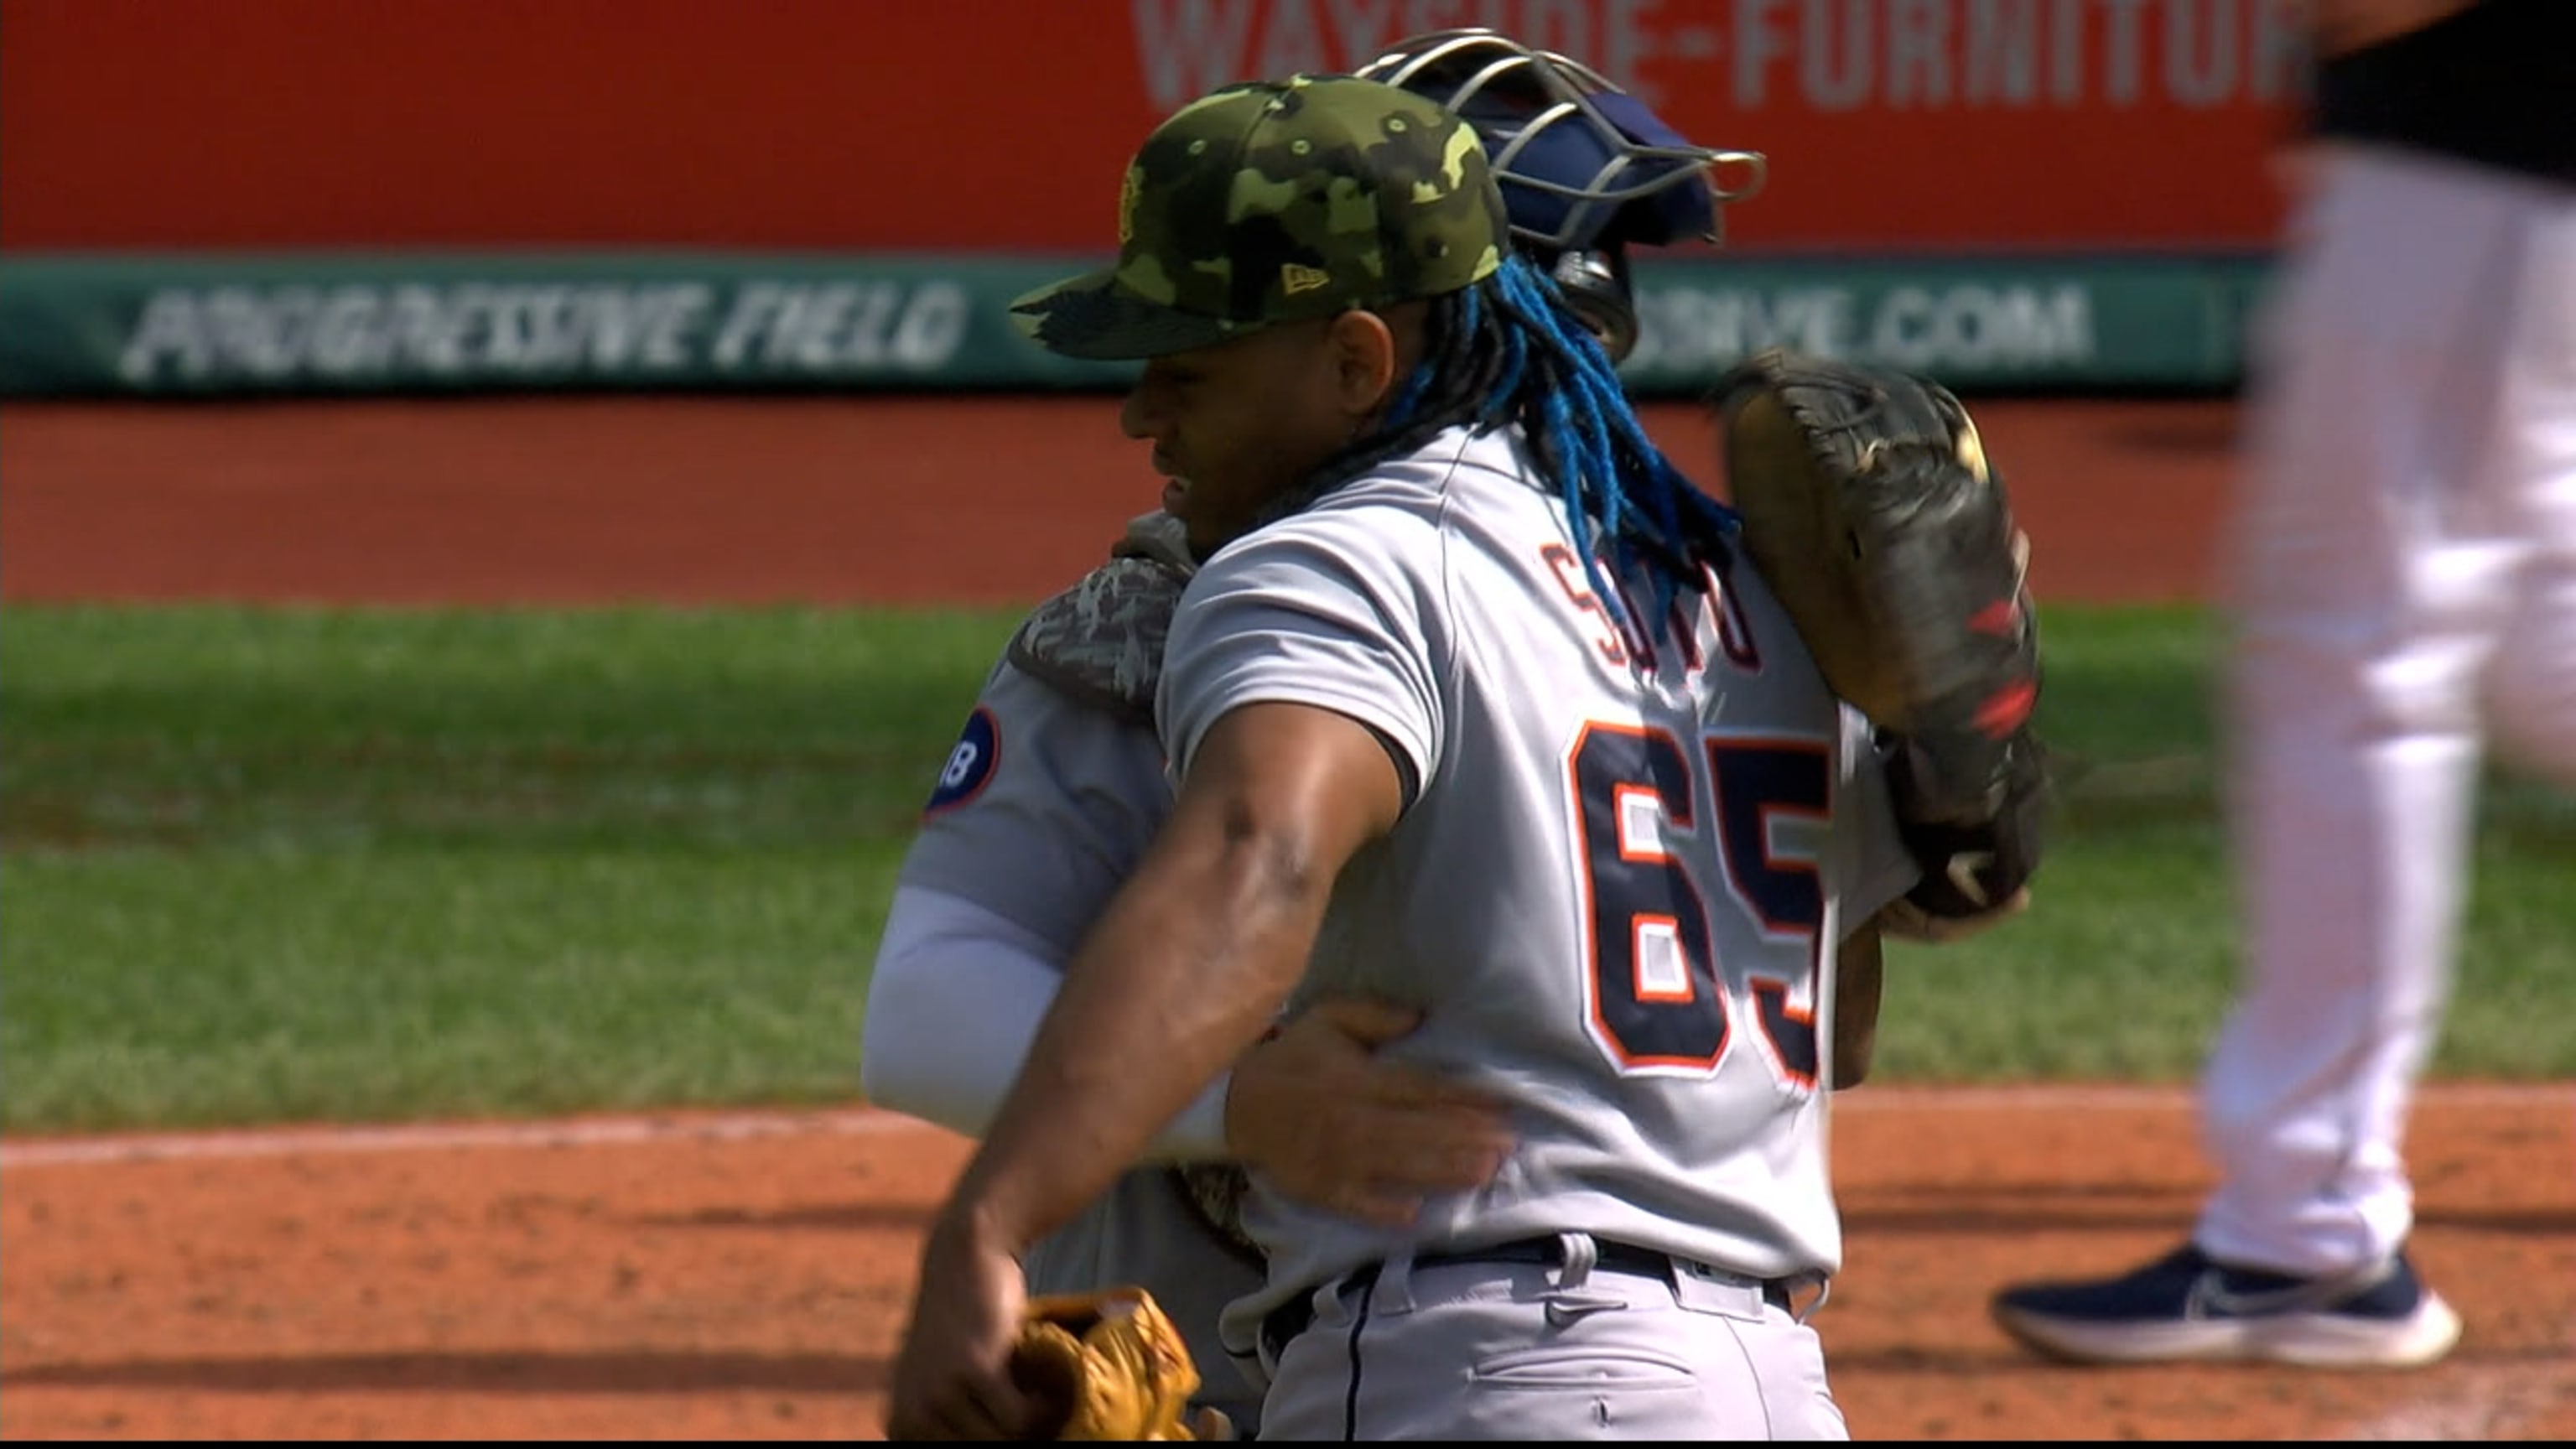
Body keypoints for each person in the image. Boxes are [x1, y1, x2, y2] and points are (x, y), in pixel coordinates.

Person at [882, 71, 1932, 1441]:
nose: (1144, 414)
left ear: (1360, 361)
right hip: (1767, 1383)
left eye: (1190, 367)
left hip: (1494, 1368)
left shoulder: (1336, 567)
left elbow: (1253, 866)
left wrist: (986, 1220)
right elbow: (1831, 1028)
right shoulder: (1743, 587)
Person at [1990, 0, 2572, 1369]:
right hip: (2488, 160)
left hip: (2487, 150)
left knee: (2357, 660)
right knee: (2533, 633)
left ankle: (2307, 1227)